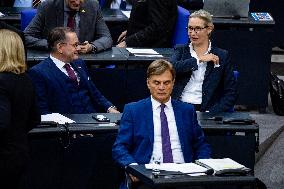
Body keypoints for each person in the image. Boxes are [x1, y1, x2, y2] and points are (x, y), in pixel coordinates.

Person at [112, 59, 211, 189]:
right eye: (156, 82)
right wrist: (133, 168)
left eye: (166, 82)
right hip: (148, 177)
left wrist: (201, 166)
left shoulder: (187, 110)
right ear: (148, 83)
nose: (161, 87)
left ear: (173, 83)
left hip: (185, 177)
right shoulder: (133, 110)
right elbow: (120, 147)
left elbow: (201, 145)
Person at [28, 27, 119, 115]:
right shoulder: (39, 73)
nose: (78, 48)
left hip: (92, 120)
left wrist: (110, 108)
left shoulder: (79, 63)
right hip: (66, 127)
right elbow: (42, 110)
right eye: (75, 45)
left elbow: (93, 91)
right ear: (60, 47)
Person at [170, 9, 237, 114]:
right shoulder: (180, 50)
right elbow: (171, 68)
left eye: (197, 29)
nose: (192, 33)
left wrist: (211, 112)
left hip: (206, 109)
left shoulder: (222, 55)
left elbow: (231, 93)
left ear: (209, 29)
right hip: (180, 106)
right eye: (190, 28)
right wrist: (199, 60)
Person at [0, 29, 40, 188]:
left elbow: (1, 124)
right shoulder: (26, 80)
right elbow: (35, 118)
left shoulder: (1, 82)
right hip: (20, 152)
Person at [24, 0, 112, 53]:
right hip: (55, 60)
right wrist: (54, 45)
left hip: (84, 61)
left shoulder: (93, 6)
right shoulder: (48, 7)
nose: (77, 2)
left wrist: (92, 47)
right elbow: (26, 37)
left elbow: (106, 38)